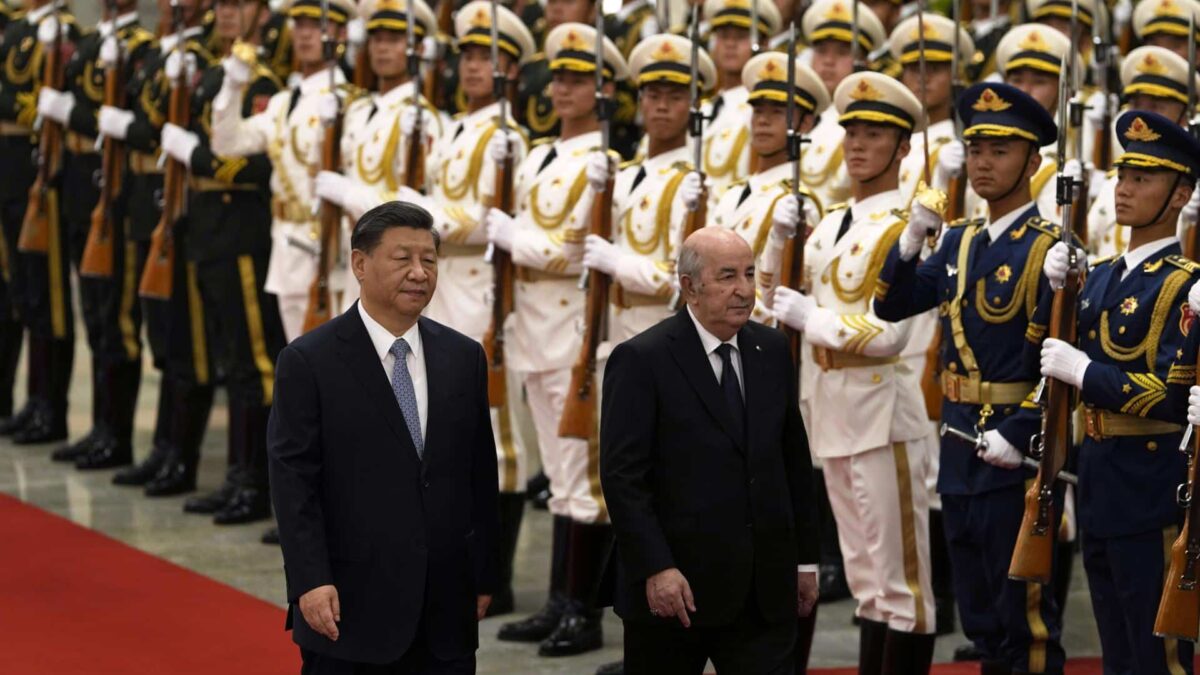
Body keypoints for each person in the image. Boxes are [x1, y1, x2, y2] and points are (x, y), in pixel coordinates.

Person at [874, 82, 1068, 674]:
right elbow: (892, 304)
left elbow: (1062, 363)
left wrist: (1023, 429)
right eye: (976, 148)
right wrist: (910, 239)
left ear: (1033, 162)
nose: (984, 162)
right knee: (980, 612)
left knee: (1025, 617)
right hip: (958, 443)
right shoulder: (958, 239)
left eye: (1001, 151)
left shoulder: (1049, 249)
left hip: (1015, 452)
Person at [269, 201, 498, 674]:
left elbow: (479, 475)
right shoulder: (309, 361)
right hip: (348, 612)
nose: (419, 273)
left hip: (445, 614)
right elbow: (294, 486)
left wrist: (484, 572)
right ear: (359, 263)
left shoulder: (463, 357)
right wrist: (309, 580)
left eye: (429, 260)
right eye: (402, 259)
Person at [772, 70, 937, 673]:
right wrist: (775, 240)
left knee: (901, 586)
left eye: (875, 134)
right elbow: (774, 298)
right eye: (852, 133)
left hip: (882, 414)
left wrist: (814, 319)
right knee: (867, 578)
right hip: (831, 408)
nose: (859, 145)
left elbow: (891, 333)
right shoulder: (836, 220)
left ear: (902, 148)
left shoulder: (908, 227)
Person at [600, 226, 818, 674]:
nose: (743, 291)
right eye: (727, 277)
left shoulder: (771, 349)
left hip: (762, 593)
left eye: (749, 275)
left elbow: (793, 463)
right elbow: (623, 480)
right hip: (677, 592)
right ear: (689, 287)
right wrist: (656, 567)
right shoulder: (642, 359)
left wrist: (805, 560)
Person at [485, 21, 629, 657]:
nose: (563, 88)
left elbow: (577, 251)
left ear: (603, 90)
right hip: (530, 330)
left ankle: (584, 611)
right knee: (559, 474)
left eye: (578, 79)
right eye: (560, 77)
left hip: (573, 331)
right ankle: (557, 602)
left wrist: (516, 239)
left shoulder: (607, 163)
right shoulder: (540, 153)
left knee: (581, 480)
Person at [1041, 109, 1200, 675]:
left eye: (1144, 180)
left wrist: (1085, 373)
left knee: (1157, 654)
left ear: (1181, 194)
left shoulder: (1186, 282)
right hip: (1101, 477)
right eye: (1124, 177)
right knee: (1117, 652)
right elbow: (1044, 348)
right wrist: (1051, 288)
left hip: (1152, 480)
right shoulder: (1102, 274)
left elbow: (1170, 396)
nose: (1125, 190)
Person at [1087, 47, 1200, 259]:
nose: (1143, 116)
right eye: (1136, 104)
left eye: (1156, 106)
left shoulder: (1186, 184)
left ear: (1185, 115)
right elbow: (1089, 242)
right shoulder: (1113, 184)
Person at [699, 0, 782, 212]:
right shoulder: (705, 109)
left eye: (741, 37)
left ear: (762, 45)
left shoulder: (760, 113)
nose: (730, 44)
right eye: (723, 36)